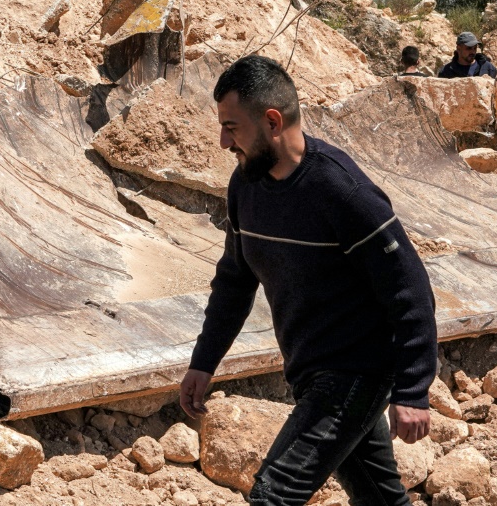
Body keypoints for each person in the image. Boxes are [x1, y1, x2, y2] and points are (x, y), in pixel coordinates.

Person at [180, 56, 438, 505]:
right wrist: (204, 361)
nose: (223, 142)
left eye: (231, 127)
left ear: (272, 121)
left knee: (273, 496)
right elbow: (235, 282)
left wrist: (413, 391)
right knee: (378, 497)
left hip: (357, 371)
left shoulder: (343, 192)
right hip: (308, 371)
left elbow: (411, 292)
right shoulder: (245, 186)